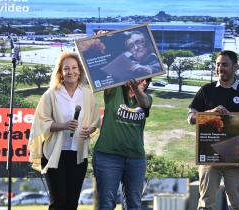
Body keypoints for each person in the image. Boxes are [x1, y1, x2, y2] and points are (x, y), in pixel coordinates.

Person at [28, 51, 101, 210]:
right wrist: (63, 125)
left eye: (74, 67)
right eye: (66, 68)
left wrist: (89, 130)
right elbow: (41, 123)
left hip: (77, 155)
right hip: (54, 153)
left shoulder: (87, 95)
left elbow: (95, 121)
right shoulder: (51, 94)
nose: (71, 72)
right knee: (59, 202)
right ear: (60, 72)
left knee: (72, 203)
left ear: (80, 71)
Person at [187, 50, 239, 210]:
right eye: (217, 64)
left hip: (235, 158)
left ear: (235, 66)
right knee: (205, 203)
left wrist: (233, 120)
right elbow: (190, 118)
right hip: (209, 156)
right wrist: (210, 114)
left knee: (237, 204)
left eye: (224, 64)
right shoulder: (206, 90)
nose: (219, 68)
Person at [93, 78, 152, 210]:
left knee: (134, 205)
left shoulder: (146, 98)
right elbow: (107, 74)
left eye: (147, 81)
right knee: (107, 204)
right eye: (141, 79)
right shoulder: (115, 90)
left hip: (135, 159)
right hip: (108, 156)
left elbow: (145, 104)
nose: (144, 82)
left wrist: (136, 88)